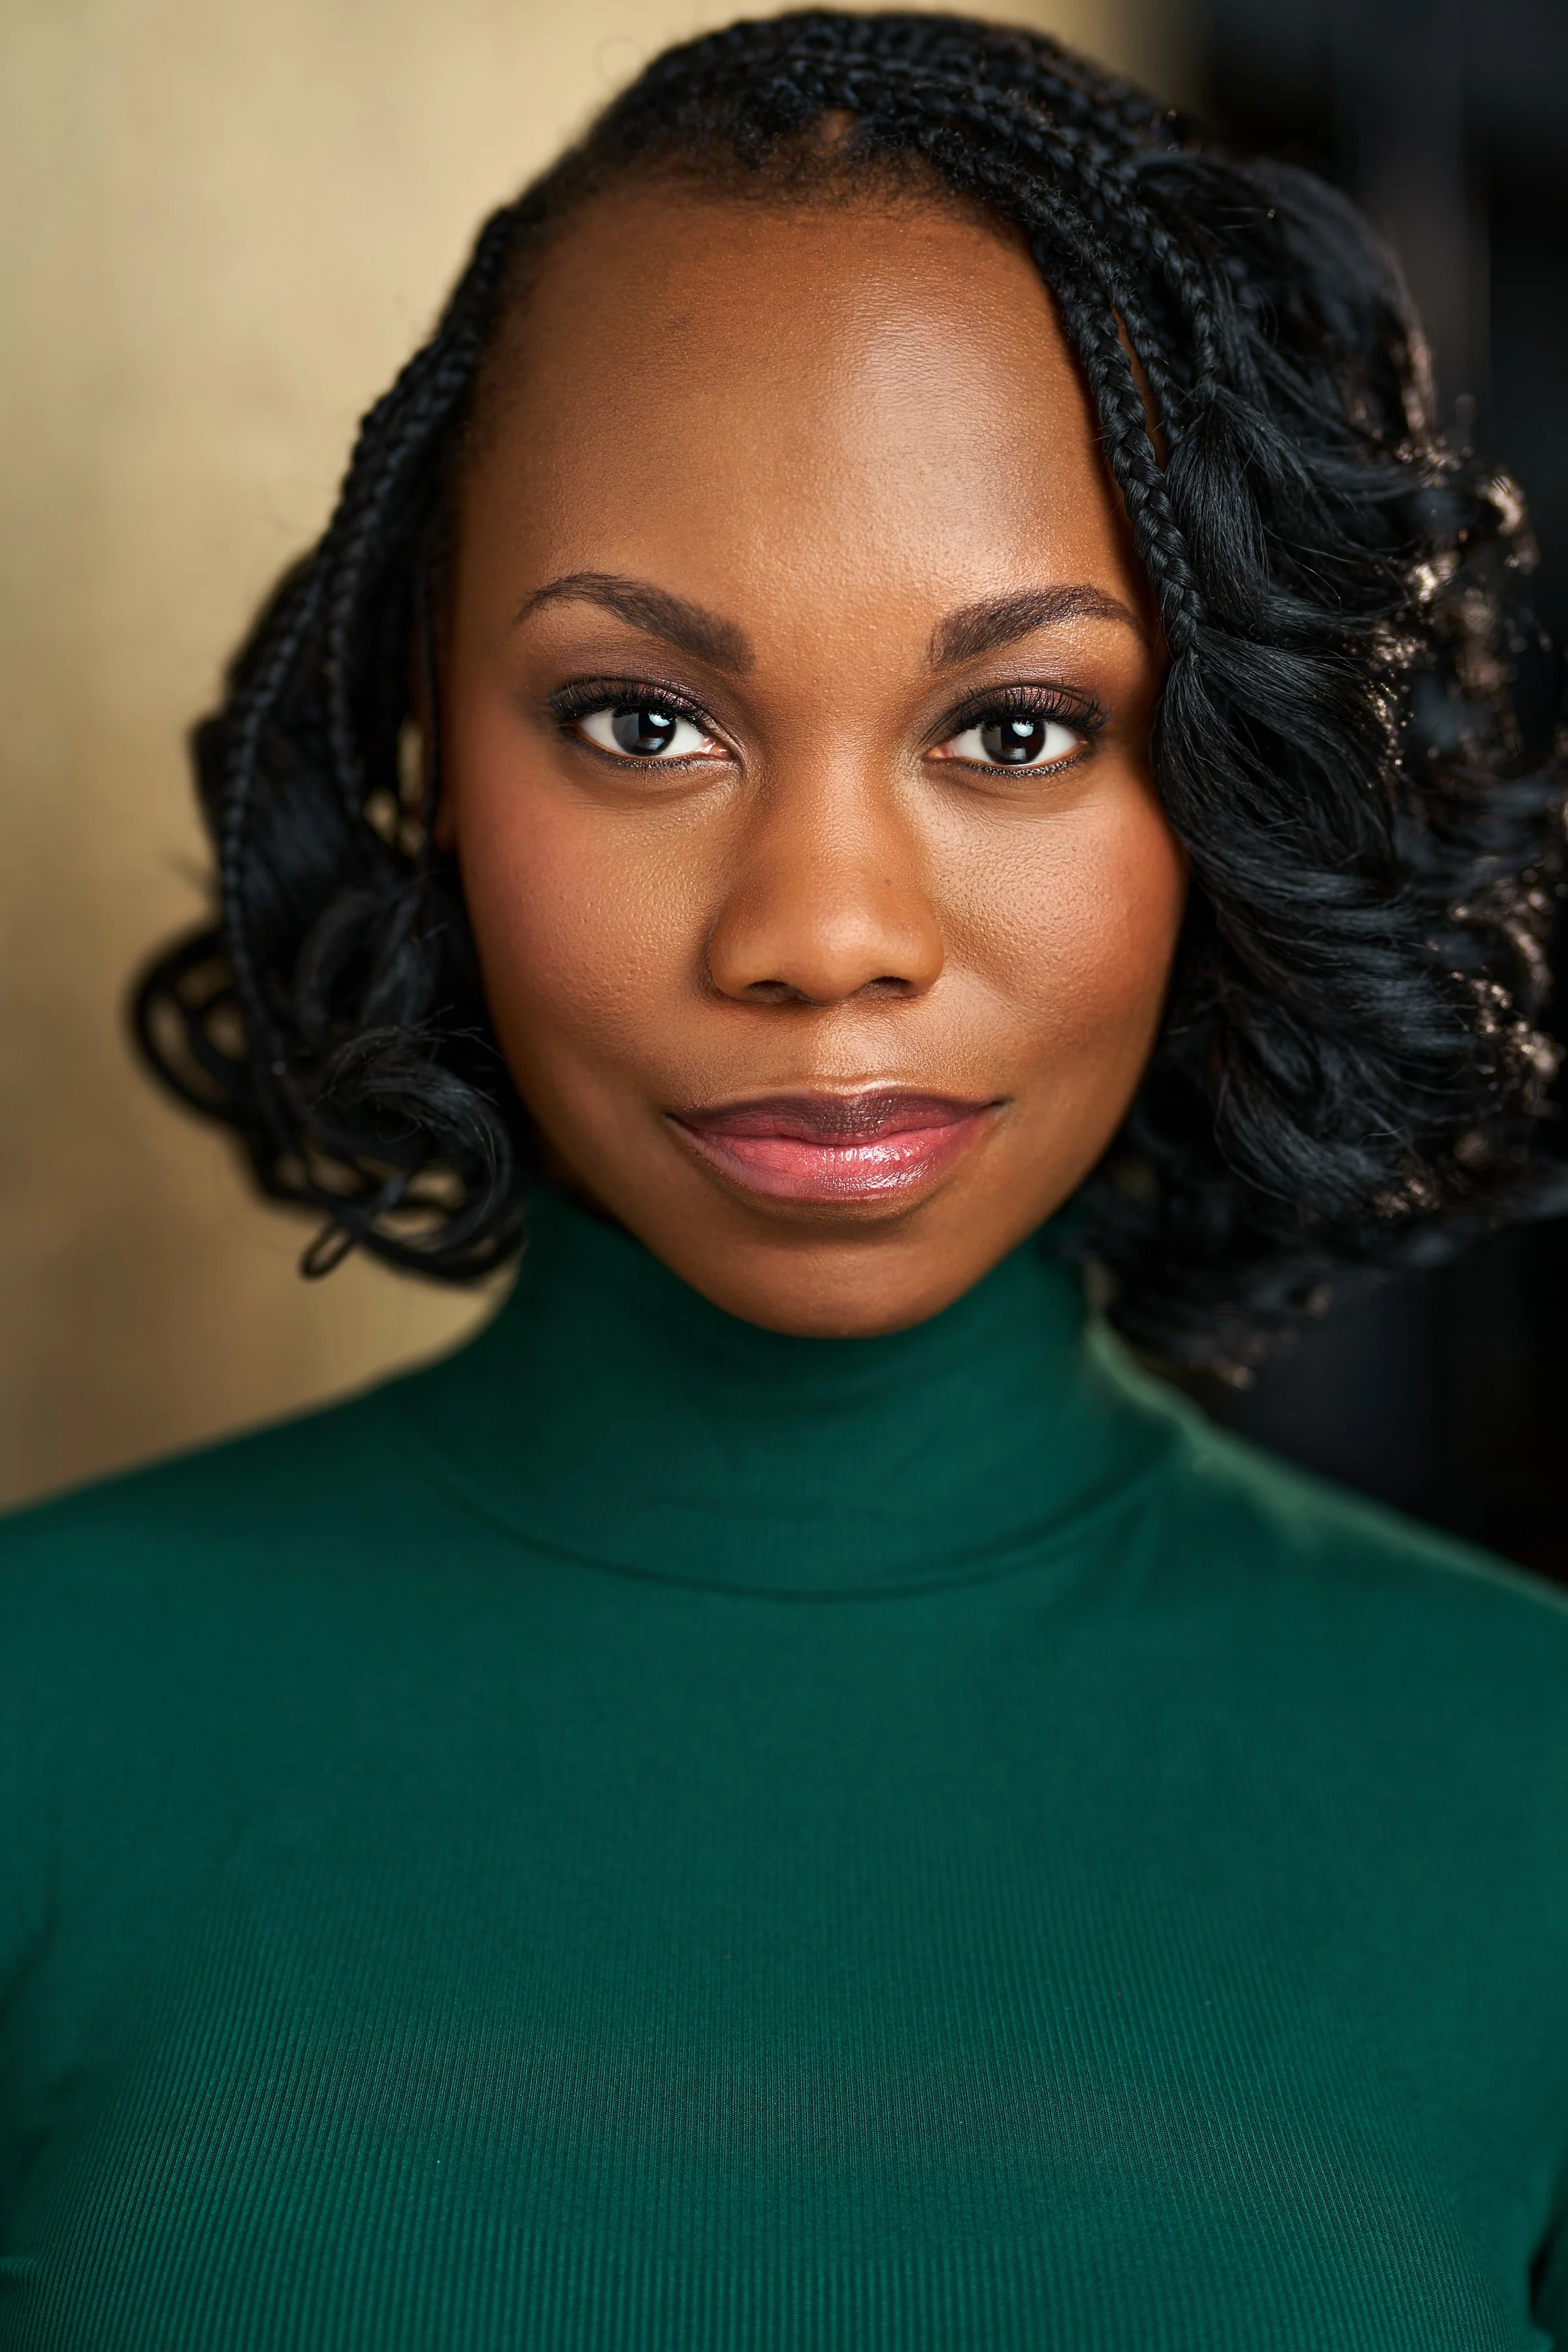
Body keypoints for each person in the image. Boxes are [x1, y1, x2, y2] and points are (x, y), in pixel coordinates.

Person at [4, 10, 1567, 2345]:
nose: (823, 934)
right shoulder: (41, 1711)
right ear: (427, 737)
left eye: (1014, 728)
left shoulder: (1524, 1786)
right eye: (645, 721)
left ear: (1223, 785)